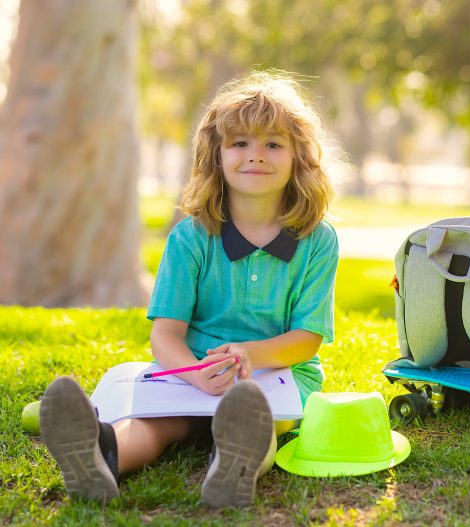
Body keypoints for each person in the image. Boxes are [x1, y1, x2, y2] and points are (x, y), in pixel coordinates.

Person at [39, 70, 339, 507]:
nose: (256, 155)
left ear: (299, 158)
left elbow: (307, 339)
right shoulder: (191, 238)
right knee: (154, 423)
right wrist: (195, 373)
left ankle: (233, 469)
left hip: (275, 375)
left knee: (260, 422)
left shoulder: (317, 240)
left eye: (273, 144)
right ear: (215, 155)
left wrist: (250, 357)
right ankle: (99, 458)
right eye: (240, 143)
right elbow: (165, 334)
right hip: (191, 373)